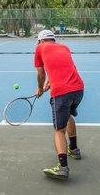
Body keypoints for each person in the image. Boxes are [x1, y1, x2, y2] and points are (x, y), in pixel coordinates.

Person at [34, 29, 84, 180]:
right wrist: (50, 82)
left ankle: (62, 168)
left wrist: (40, 88)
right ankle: (74, 149)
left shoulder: (39, 48)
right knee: (67, 116)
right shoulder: (64, 47)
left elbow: (41, 73)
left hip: (62, 93)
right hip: (78, 89)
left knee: (58, 130)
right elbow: (65, 67)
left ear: (40, 41)